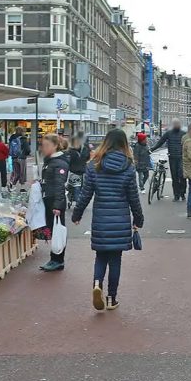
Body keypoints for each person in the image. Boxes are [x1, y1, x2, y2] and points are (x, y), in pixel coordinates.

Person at [71, 129, 144, 310]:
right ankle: (112, 298)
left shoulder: (95, 164)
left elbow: (85, 194)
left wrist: (77, 214)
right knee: (115, 260)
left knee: (100, 256)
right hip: (120, 220)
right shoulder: (128, 166)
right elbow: (134, 197)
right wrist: (138, 219)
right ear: (123, 144)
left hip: (101, 220)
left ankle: (97, 284)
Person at [39, 133, 71, 272]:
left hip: (55, 201)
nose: (44, 148)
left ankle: (57, 260)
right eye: (43, 145)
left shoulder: (59, 163)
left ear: (55, 146)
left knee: (58, 230)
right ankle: (55, 258)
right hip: (50, 199)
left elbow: (59, 185)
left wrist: (57, 205)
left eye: (47, 145)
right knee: (53, 229)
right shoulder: (50, 161)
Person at [151, 119, 187, 201]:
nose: (176, 125)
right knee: (174, 177)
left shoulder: (183, 134)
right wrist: (152, 149)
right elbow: (160, 142)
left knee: (182, 176)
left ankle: (182, 192)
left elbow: (189, 144)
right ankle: (176, 195)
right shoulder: (168, 133)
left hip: (182, 157)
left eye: (177, 124)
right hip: (172, 158)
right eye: (175, 124)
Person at [67, 133, 91, 205]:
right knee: (77, 188)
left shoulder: (85, 149)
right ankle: (78, 203)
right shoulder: (71, 151)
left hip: (83, 171)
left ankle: (78, 201)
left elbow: (87, 157)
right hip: (74, 171)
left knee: (83, 188)